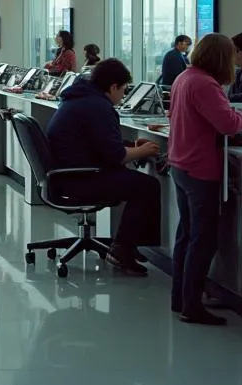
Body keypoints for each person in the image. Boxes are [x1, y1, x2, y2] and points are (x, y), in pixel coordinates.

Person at [168, 33, 242, 324]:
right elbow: (227, 123)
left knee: (186, 235)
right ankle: (192, 306)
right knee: (203, 240)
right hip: (200, 169)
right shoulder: (205, 84)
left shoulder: (185, 77)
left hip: (181, 165)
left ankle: (181, 297)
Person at [46, 58, 163, 276]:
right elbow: (115, 156)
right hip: (81, 179)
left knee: (137, 182)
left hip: (68, 174)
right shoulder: (98, 106)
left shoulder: (80, 99)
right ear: (113, 87)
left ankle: (126, 244)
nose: (123, 96)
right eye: (123, 90)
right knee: (147, 186)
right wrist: (142, 152)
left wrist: (131, 147)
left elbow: (97, 143)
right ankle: (124, 249)